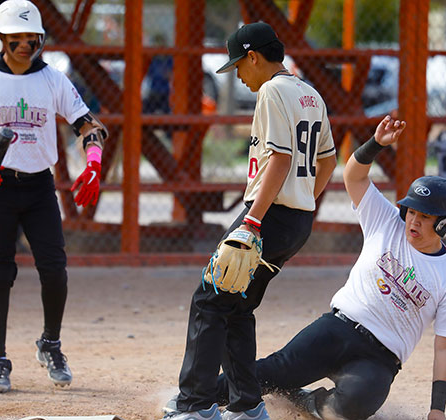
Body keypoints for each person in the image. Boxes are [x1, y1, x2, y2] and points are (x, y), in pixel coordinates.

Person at [213, 116, 446, 420]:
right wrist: (376, 144)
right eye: (411, 211)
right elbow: (355, 177)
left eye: (425, 217)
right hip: (338, 327)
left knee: (350, 409)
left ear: (444, 223)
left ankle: (307, 403)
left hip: (379, 361)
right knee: (274, 370)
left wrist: (437, 409)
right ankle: (196, 397)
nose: (413, 221)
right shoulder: (387, 222)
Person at [163, 22, 337, 420]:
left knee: (209, 301)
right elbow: (326, 160)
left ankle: (196, 406)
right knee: (236, 307)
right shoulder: (309, 92)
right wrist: (304, 200)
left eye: (239, 66)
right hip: (296, 221)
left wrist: (252, 222)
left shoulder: (273, 91)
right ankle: (247, 406)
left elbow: (279, 159)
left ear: (254, 57)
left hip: (267, 215)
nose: (238, 75)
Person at [0, 0, 108, 394]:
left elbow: (87, 124)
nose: (23, 46)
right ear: (0, 39)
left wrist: (94, 161)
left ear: (39, 40)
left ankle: (50, 344)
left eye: (30, 39)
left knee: (54, 269)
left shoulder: (52, 79)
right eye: (15, 39)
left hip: (38, 187)